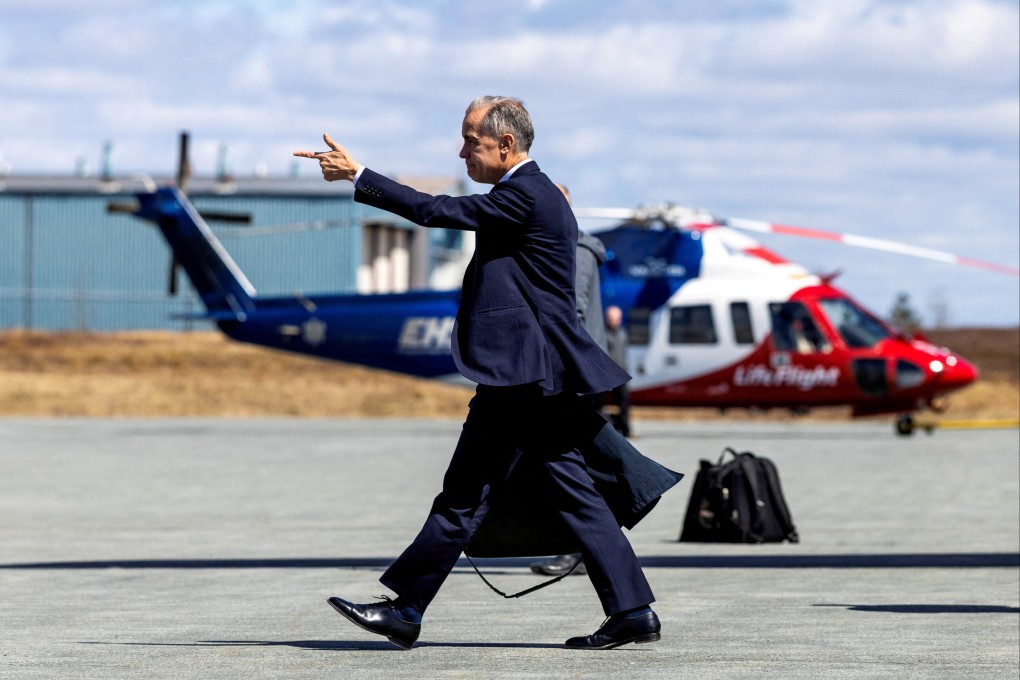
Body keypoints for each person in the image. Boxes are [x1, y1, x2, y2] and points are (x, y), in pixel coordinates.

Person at [294, 96, 665, 650]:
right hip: (533, 375)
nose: (462, 149)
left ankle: (407, 609)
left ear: (506, 145)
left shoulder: (525, 195)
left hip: (523, 377)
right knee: (569, 495)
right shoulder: (530, 194)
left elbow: (436, 210)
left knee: (466, 495)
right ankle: (632, 611)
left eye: (472, 140)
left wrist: (360, 175)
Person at [604, 305, 632, 438]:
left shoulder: (623, 333)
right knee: (599, 403)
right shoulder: (603, 333)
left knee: (624, 403)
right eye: (611, 319)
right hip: (607, 374)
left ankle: (625, 429)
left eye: (616, 319)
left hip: (621, 373)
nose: (613, 321)